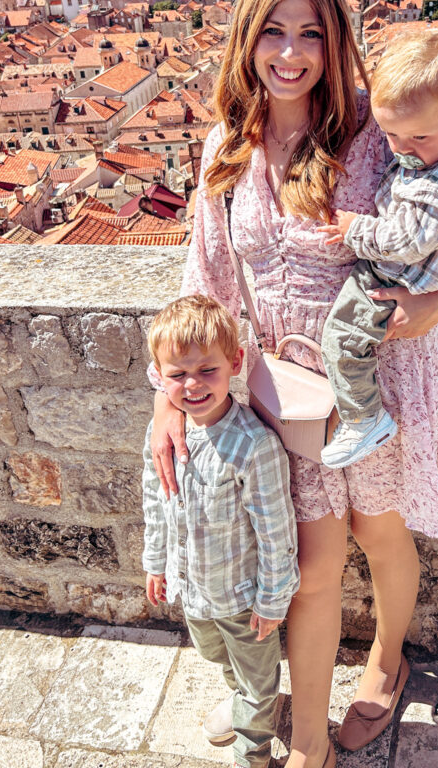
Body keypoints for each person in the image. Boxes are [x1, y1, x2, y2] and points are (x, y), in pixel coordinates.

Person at [148, 0, 438, 768]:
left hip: (380, 377)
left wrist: (434, 305)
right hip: (285, 390)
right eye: (272, 32)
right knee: (312, 568)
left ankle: (385, 662)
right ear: (246, 38)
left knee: (382, 535)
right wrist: (169, 399)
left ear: (334, 39)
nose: (289, 53)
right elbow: (202, 281)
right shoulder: (225, 149)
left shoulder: (377, 129)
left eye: (309, 33)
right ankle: (307, 738)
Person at [317, 28, 438, 468]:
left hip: (398, 274)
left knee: (342, 339)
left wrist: (353, 229)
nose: (402, 152)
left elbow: (401, 244)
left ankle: (365, 419)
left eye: (417, 139)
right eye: (390, 136)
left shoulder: (435, 189)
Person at [143, 294, 299, 768]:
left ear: (235, 362)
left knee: (257, 679)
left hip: (243, 600)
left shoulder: (254, 445)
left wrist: (273, 600)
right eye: (177, 374)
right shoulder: (164, 435)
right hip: (194, 591)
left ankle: (252, 749)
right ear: (159, 375)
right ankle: (242, 701)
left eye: (207, 370)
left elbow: (276, 530)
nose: (192, 385)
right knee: (217, 658)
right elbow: (156, 501)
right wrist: (156, 562)